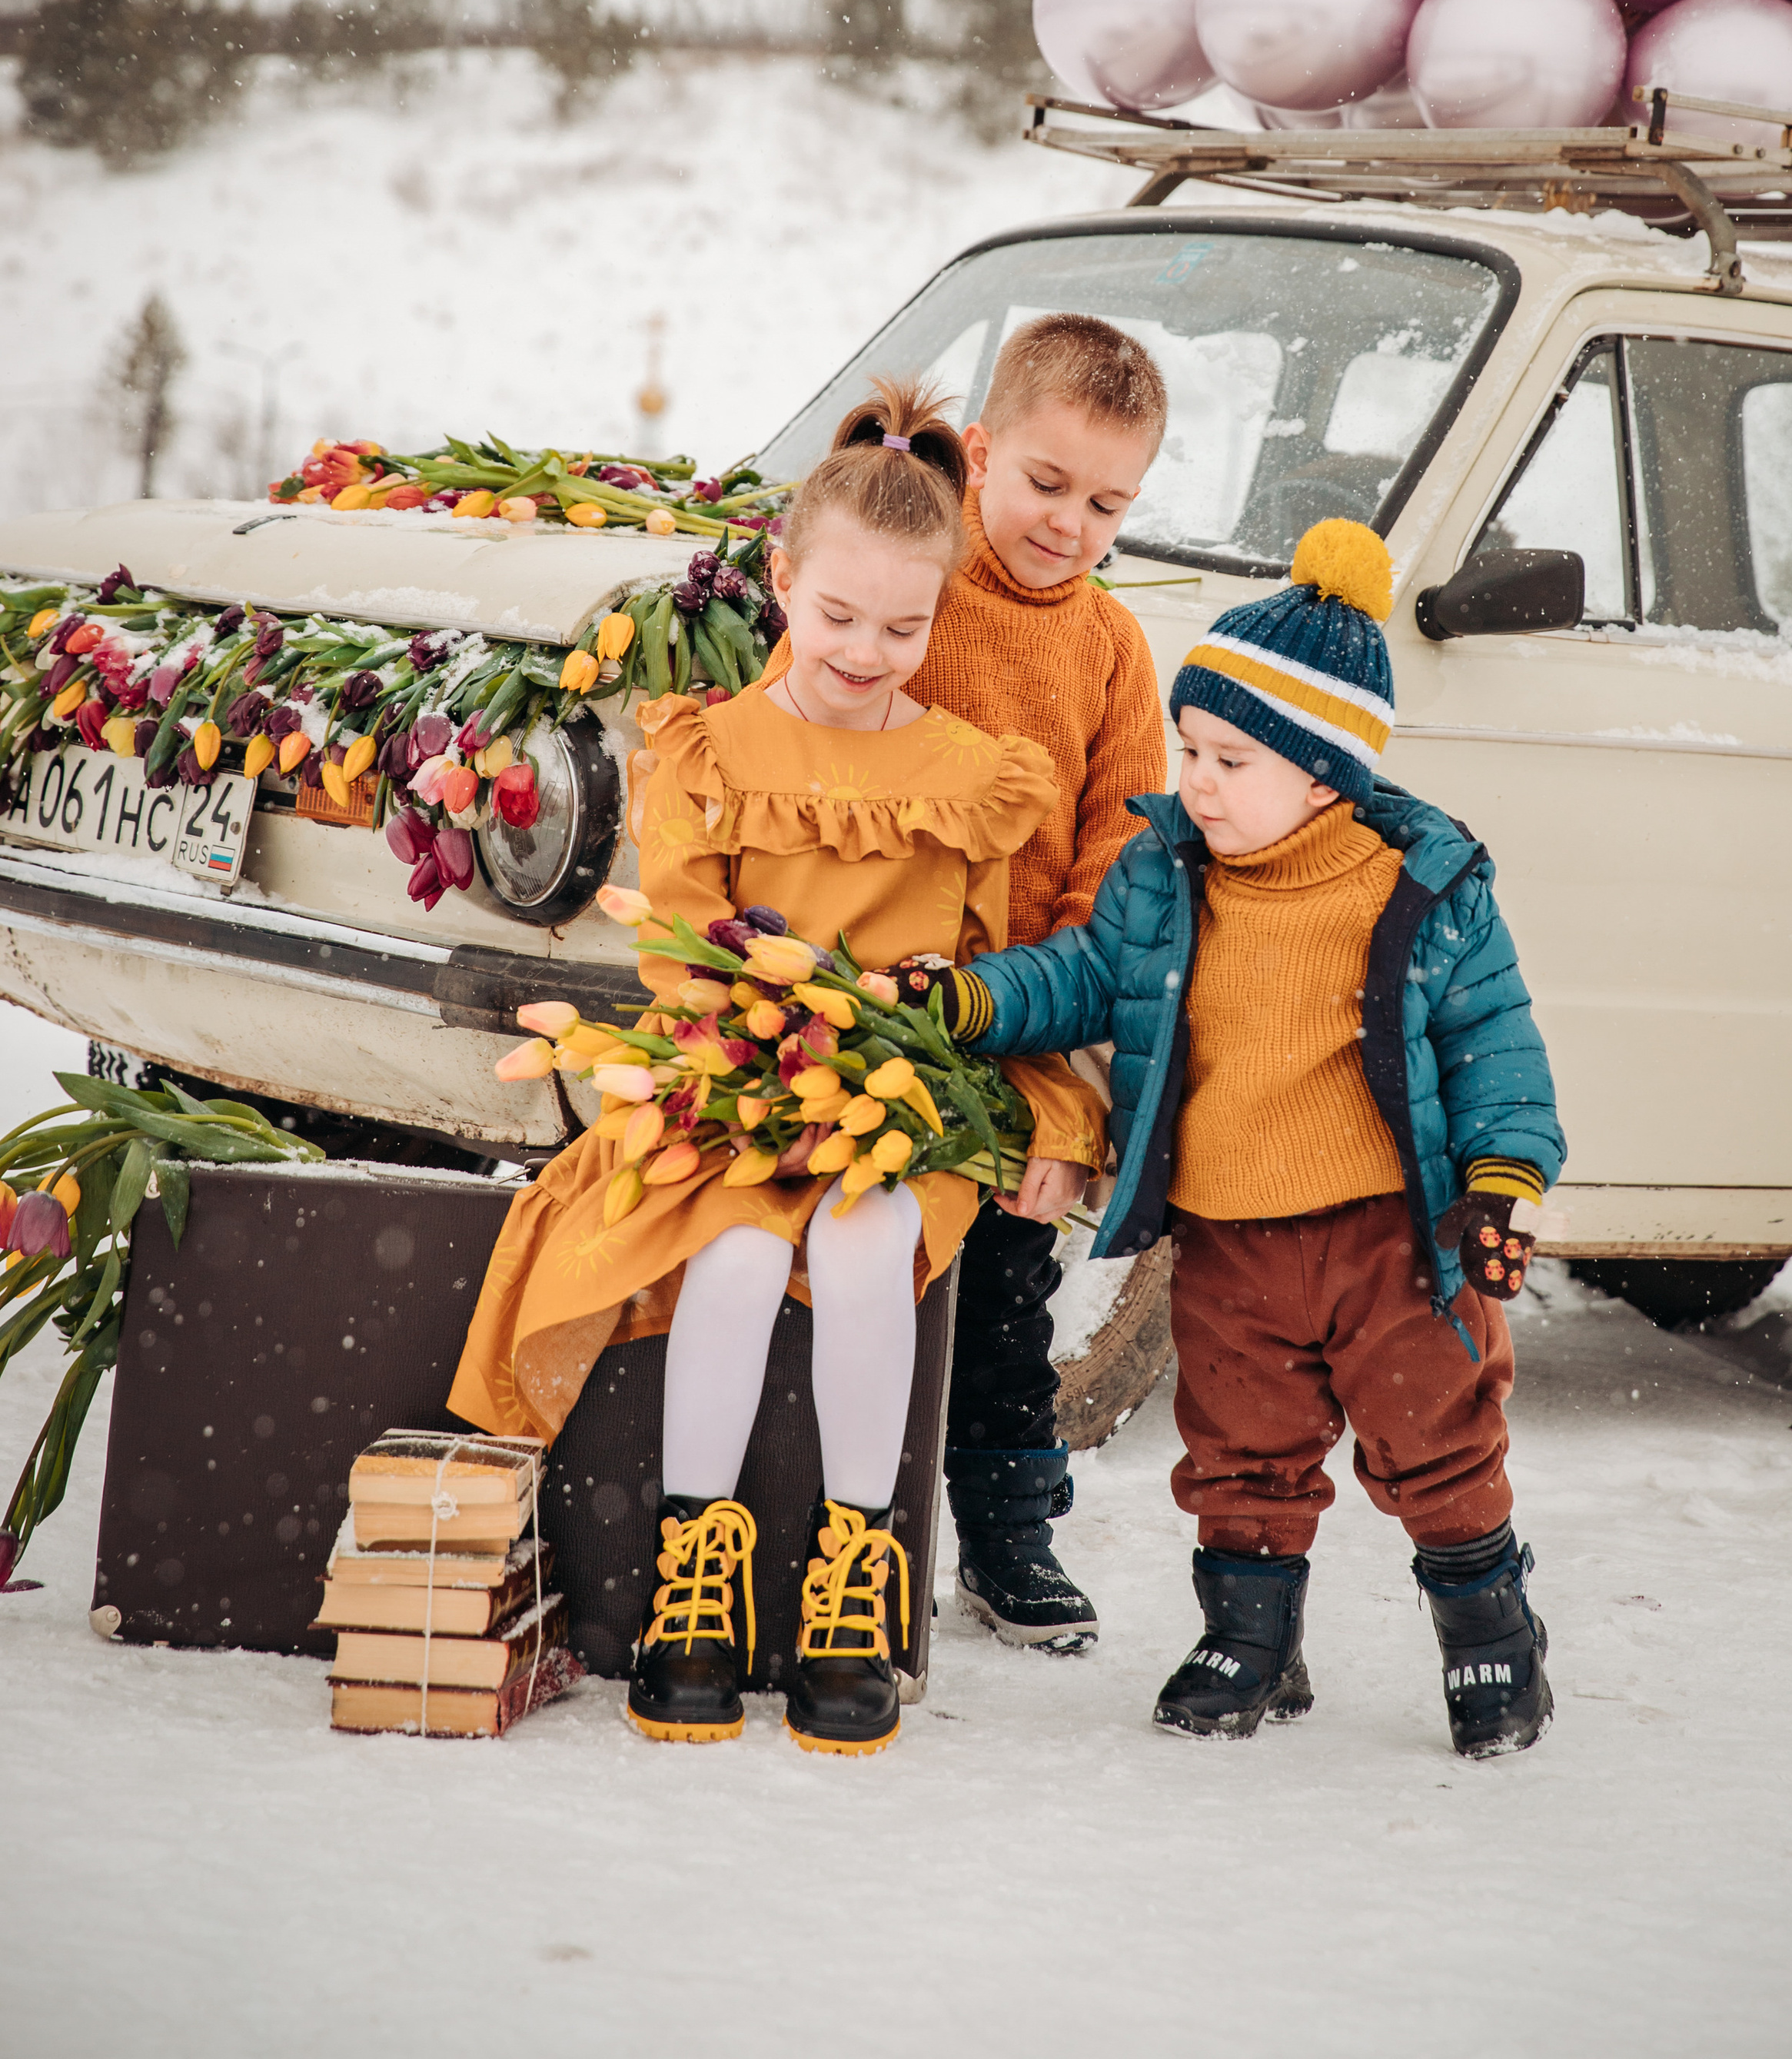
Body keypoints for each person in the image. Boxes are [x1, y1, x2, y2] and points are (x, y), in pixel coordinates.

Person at [448, 378, 1105, 1758]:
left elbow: (996, 976)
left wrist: (989, 1076)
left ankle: (857, 1574)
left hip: (901, 1107)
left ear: (942, 614)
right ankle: (699, 1569)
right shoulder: (711, 748)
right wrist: (763, 1033)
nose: (868, 652)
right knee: (738, 1259)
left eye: (907, 626)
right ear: (782, 582)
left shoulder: (977, 774)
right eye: (839, 616)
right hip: (740, 1085)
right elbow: (683, 949)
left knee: (869, 1244)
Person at [904, 518, 1566, 1759]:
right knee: (1239, 1450)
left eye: (1231, 760)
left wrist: (1499, 1185)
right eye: (1191, 750)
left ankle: (1490, 1630)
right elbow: (1083, 976)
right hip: (1231, 1243)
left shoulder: (1417, 888)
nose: (1197, 781)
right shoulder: (1169, 879)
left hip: (1388, 1238)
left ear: (1323, 773)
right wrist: (977, 997)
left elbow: (1497, 1049)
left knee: (1436, 1435)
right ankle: (1250, 1639)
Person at [791, 311, 1170, 1653]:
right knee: (846, 1260)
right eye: (1047, 485)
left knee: (1006, 1296)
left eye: (1108, 503)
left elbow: (1117, 864)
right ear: (986, 451)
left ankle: (1008, 1530)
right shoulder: (916, 588)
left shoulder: (1114, 651)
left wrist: (1034, 1018)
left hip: (1015, 1018)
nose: (1070, 524)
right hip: (866, 992)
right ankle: (835, 1525)